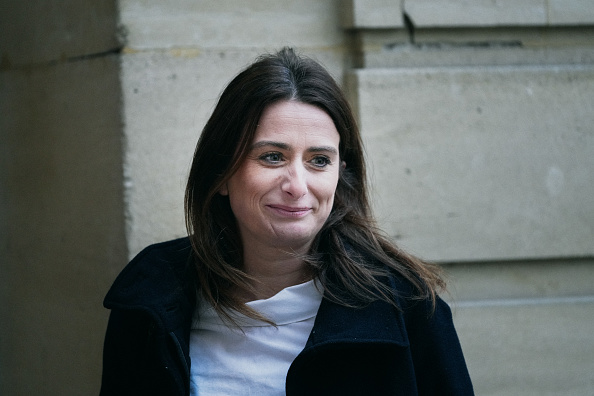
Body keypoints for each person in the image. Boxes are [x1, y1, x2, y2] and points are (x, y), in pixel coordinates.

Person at [100, 47, 474, 396]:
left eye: (319, 160)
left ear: (340, 175)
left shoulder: (409, 309)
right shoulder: (151, 297)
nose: (297, 186)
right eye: (272, 157)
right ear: (222, 174)